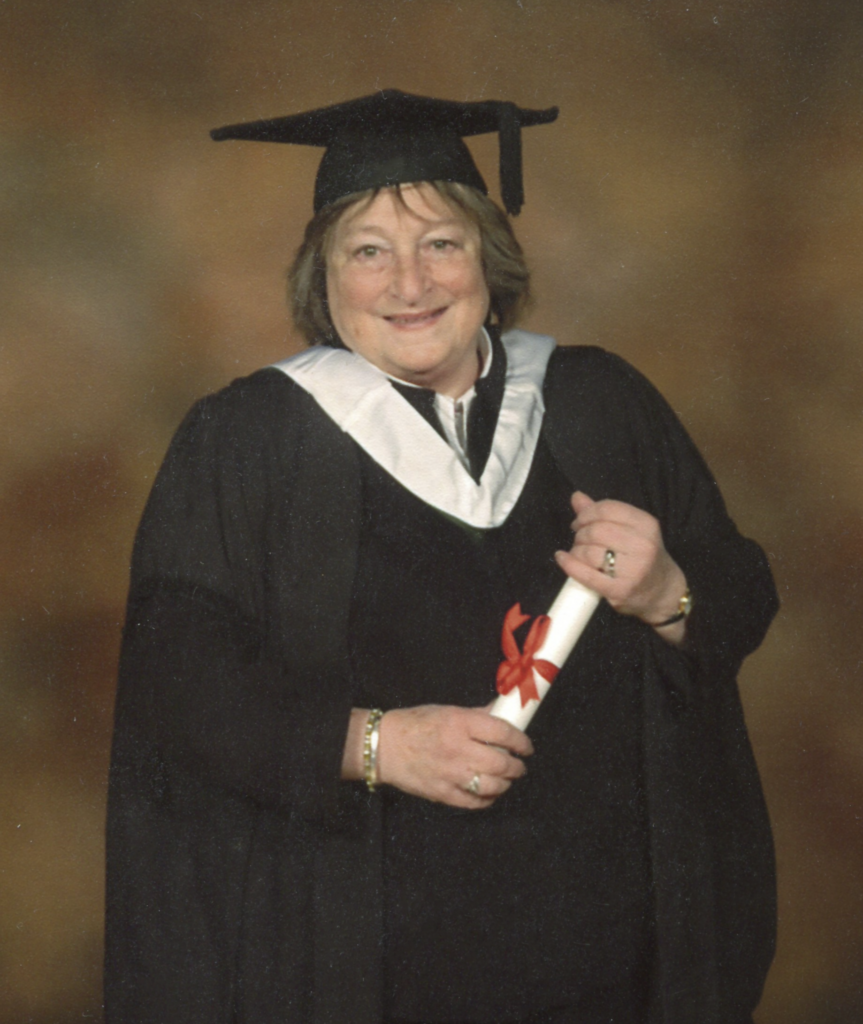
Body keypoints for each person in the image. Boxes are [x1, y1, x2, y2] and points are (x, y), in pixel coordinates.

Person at [104, 90, 779, 1024]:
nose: (408, 284)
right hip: (368, 956)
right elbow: (174, 677)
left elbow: (740, 590)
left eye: (441, 244)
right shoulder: (247, 436)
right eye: (368, 251)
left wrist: (670, 590)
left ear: (487, 263)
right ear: (323, 277)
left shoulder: (597, 401)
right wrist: (375, 744)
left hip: (606, 949)